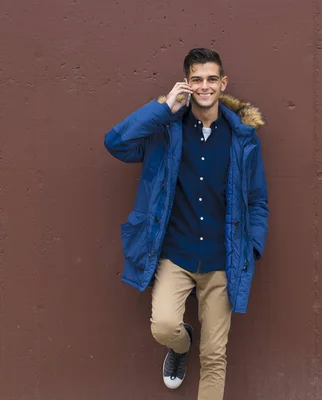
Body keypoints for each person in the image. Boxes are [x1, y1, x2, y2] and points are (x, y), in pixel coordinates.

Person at [104, 47, 269, 400]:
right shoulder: (166, 130)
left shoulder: (242, 138)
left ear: (223, 83)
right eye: (197, 79)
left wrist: (251, 246)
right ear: (187, 83)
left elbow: (257, 201)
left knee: (214, 355)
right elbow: (115, 143)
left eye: (212, 79)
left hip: (221, 261)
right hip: (175, 255)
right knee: (164, 326)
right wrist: (163, 108)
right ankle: (181, 344)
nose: (205, 86)